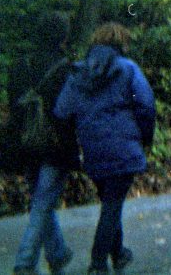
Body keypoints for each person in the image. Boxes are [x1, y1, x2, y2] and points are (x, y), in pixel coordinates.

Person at [54, 22, 155, 275]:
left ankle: (118, 253)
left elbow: (62, 111)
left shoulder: (78, 74)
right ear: (121, 43)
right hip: (123, 147)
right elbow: (145, 105)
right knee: (112, 205)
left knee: (111, 202)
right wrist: (146, 137)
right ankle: (98, 262)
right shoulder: (128, 70)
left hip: (93, 150)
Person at [2, 12, 79, 275]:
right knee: (43, 203)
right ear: (62, 36)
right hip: (55, 145)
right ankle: (24, 262)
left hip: (24, 143)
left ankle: (57, 253)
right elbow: (69, 112)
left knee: (40, 199)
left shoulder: (19, 66)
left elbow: (13, 105)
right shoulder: (66, 69)